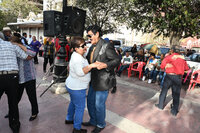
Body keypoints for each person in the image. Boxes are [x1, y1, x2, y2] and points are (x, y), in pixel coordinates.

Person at [82, 25, 120, 133]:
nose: (89, 38)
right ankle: (93, 121)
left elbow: (117, 60)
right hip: (93, 80)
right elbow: (89, 61)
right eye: (88, 36)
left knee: (99, 104)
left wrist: (105, 65)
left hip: (103, 81)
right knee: (90, 102)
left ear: (97, 34)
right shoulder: (92, 46)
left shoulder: (106, 45)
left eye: (90, 35)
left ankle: (100, 124)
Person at [65, 36, 98, 133]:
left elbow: (70, 68)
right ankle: (77, 129)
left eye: (85, 45)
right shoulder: (77, 58)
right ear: (76, 48)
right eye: (82, 46)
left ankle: (69, 118)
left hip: (72, 85)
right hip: (77, 88)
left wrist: (86, 48)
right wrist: (92, 65)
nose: (85, 47)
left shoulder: (77, 54)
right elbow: (80, 72)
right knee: (80, 108)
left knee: (73, 103)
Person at [0, 31, 32, 133]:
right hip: (12, 77)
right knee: (13, 102)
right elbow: (26, 57)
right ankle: (15, 126)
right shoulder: (12, 45)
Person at [10, 33, 39, 121]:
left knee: (32, 96)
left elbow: (33, 53)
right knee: (16, 96)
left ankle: (35, 112)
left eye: (12, 43)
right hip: (19, 77)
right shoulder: (12, 50)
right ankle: (11, 111)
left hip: (29, 76)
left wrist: (19, 45)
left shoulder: (27, 47)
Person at [155, 45, 189, 116]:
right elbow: (186, 68)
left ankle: (160, 105)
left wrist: (168, 65)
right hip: (178, 78)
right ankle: (174, 111)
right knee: (176, 94)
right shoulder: (182, 59)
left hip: (169, 77)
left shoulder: (168, 57)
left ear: (172, 50)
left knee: (164, 91)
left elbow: (161, 67)